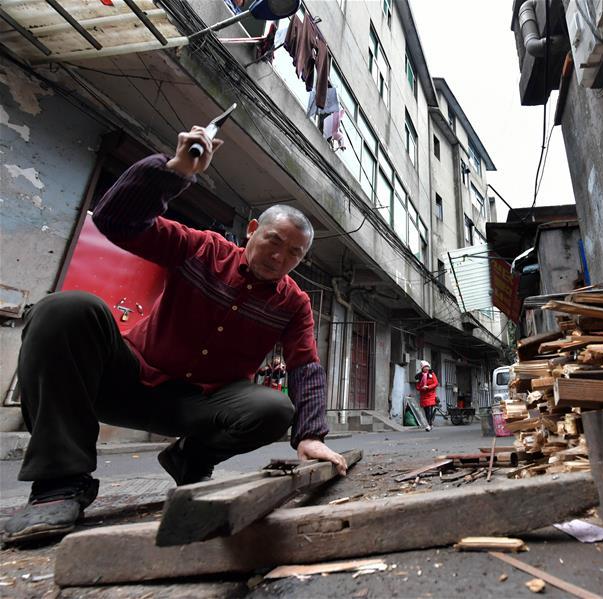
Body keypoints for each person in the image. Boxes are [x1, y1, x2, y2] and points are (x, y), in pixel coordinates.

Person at [3, 126, 347, 543]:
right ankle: (59, 486)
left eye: (295, 253)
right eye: (274, 241)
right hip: (127, 380)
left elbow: (305, 367)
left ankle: (189, 459)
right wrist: (174, 170)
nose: (280, 257)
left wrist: (310, 436)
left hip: (197, 406)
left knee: (273, 409)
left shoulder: (293, 303)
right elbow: (117, 222)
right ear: (253, 229)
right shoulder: (201, 248)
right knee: (64, 308)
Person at [415, 361, 439, 431]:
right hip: (424, 395)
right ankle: (430, 424)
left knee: (430, 409)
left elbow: (436, 383)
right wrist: (421, 388)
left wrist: (428, 387)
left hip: (431, 394)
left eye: (428, 367)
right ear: (422, 368)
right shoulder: (419, 376)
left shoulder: (432, 374)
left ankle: (429, 424)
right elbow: (417, 386)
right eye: (425, 367)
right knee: (426, 411)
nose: (427, 368)